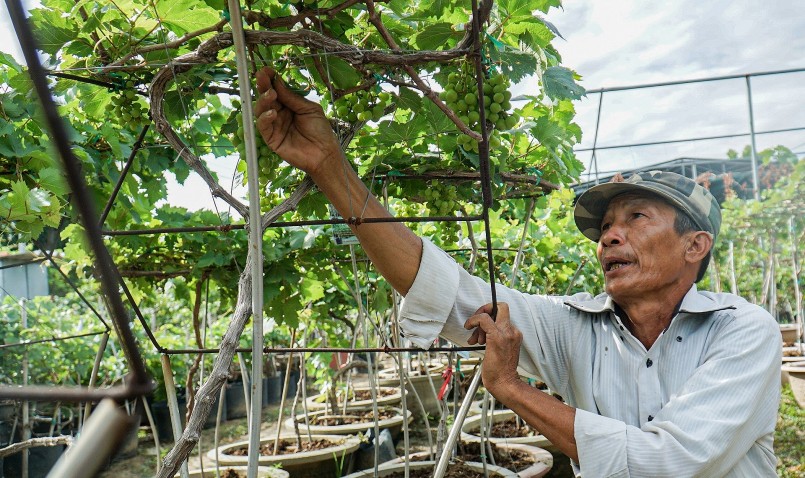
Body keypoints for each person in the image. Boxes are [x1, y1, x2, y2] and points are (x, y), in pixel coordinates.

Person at [253, 67, 781, 477]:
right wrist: (330, 166)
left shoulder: (742, 330)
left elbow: (667, 465)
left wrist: (513, 389)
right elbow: (439, 286)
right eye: (605, 227)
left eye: (636, 218)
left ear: (695, 246)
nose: (609, 236)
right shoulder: (575, 326)